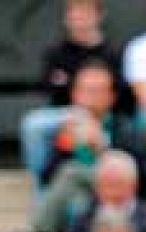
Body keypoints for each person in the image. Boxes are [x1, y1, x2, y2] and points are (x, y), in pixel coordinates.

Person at [0, 65, 146, 232]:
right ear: (75, 95)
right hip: (84, 198)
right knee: (74, 206)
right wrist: (66, 147)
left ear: (111, 97)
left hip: (122, 194)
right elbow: (47, 176)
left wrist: (103, 146)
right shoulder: (66, 131)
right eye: (86, 91)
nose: (91, 97)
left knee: (72, 173)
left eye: (97, 91)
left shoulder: (125, 128)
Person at [22, 0, 130, 193]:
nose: (79, 19)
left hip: (105, 115)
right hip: (65, 114)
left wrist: (92, 105)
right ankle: (42, 193)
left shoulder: (112, 53)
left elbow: (122, 93)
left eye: (85, 13)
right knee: (33, 124)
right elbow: (49, 89)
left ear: (99, 16)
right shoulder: (56, 52)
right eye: (74, 14)